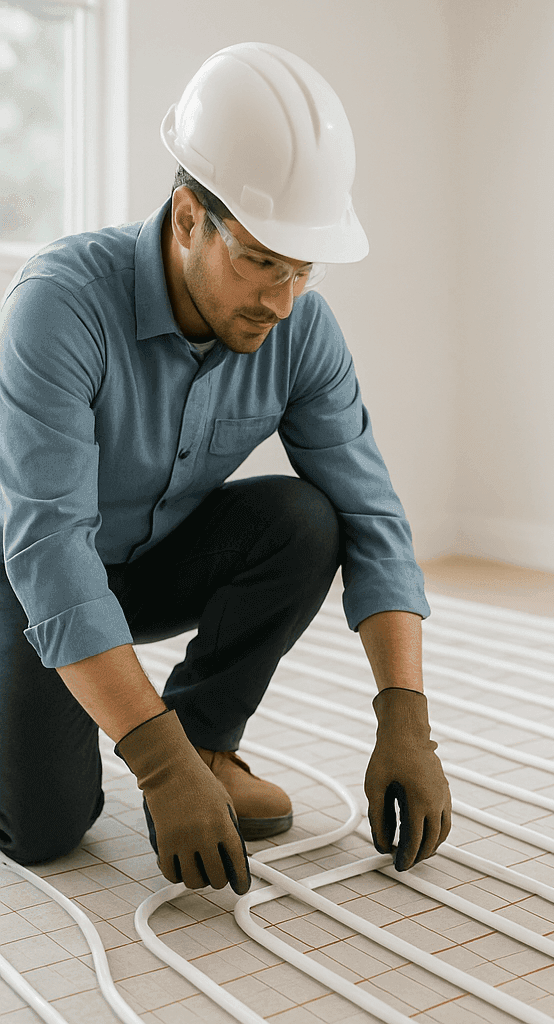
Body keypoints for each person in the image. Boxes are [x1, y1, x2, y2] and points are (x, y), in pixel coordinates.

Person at [0, 43, 452, 895]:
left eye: (302, 271)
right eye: (260, 261)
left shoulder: (300, 332)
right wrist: (157, 769)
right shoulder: (59, 304)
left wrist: (407, 716)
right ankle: (173, 758)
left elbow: (372, 515)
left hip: (143, 563)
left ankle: (209, 742)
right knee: (46, 830)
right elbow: (52, 552)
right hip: (24, 577)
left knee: (307, 519)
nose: (281, 301)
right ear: (186, 218)